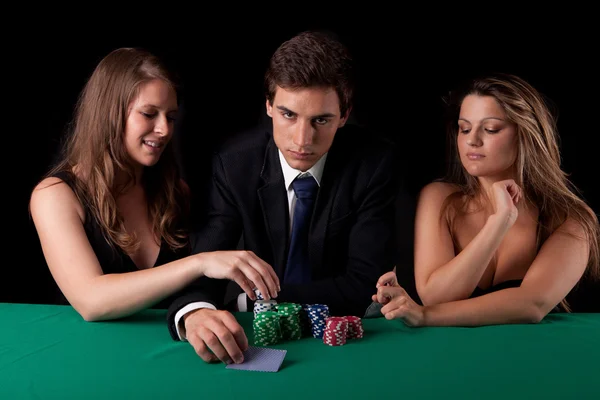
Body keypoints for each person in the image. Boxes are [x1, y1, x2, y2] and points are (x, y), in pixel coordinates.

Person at [167, 30, 404, 364]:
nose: (302, 139)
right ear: (268, 106)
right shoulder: (237, 164)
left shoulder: (373, 164)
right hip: (265, 343)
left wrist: (249, 302)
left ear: (345, 115)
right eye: (288, 115)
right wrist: (196, 312)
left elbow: (362, 284)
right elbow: (206, 259)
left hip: (351, 348)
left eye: (321, 120)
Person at [29, 47, 279, 324]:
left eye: (170, 117)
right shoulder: (55, 196)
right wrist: (200, 263)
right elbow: (91, 301)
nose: (164, 130)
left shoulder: (175, 192)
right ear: (108, 114)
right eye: (149, 114)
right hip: (90, 356)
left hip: (169, 354)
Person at [372, 72, 599, 326]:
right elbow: (437, 296)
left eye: (490, 129)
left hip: (531, 355)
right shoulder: (440, 198)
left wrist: (424, 316)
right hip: (450, 355)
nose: (472, 140)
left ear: (526, 134)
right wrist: (499, 222)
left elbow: (532, 304)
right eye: (464, 128)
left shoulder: (570, 218)